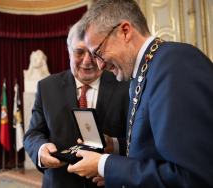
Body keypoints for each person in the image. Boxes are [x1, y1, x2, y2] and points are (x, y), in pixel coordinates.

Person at [67, 0, 213, 187]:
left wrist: (104, 164)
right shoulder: (147, 69)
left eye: (99, 53)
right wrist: (115, 145)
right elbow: (154, 146)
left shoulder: (175, 64)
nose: (100, 65)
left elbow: (192, 176)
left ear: (125, 31)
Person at [23, 21, 130, 188]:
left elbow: (138, 142)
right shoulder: (46, 87)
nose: (87, 61)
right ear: (68, 51)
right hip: (59, 182)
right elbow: (33, 133)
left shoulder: (125, 86)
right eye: (79, 52)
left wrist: (116, 164)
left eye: (94, 53)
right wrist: (41, 150)